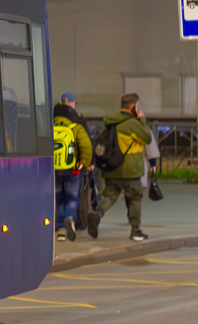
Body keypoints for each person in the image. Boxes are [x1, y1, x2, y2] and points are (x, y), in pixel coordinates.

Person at [94, 92, 152, 242]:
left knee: (110, 196)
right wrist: (142, 120)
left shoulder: (110, 122)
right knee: (135, 198)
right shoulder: (132, 124)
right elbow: (147, 138)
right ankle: (135, 231)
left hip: (111, 167)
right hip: (129, 169)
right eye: (137, 107)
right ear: (133, 107)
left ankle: (97, 214)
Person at [53, 92, 92, 242]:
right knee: (72, 197)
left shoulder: (52, 123)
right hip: (73, 168)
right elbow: (86, 145)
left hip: (55, 167)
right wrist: (85, 163)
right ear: (73, 104)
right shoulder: (77, 123)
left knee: (59, 197)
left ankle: (61, 229)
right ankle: (70, 218)